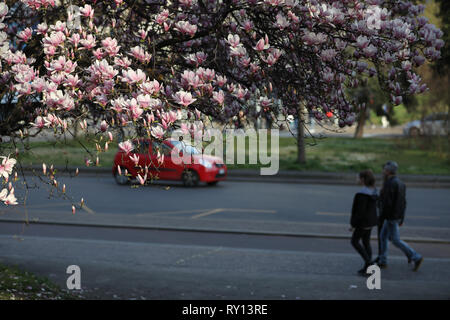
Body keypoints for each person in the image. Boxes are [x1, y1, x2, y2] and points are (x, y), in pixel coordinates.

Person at [377, 161, 423, 271]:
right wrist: (401, 218)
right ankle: (383, 260)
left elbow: (387, 204)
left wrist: (381, 217)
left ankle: (416, 257)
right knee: (383, 237)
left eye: (384, 169)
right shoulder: (401, 183)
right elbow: (403, 203)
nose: (383, 171)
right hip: (395, 217)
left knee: (395, 240)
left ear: (387, 171)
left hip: (390, 217)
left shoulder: (389, 184)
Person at [350, 170, 378, 275]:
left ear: (362, 179)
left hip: (363, 223)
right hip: (371, 221)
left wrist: (353, 225)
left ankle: (369, 263)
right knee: (366, 242)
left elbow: (359, 212)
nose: (357, 179)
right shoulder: (374, 191)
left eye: (358, 177)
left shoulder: (362, 194)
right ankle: (367, 268)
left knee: (354, 241)